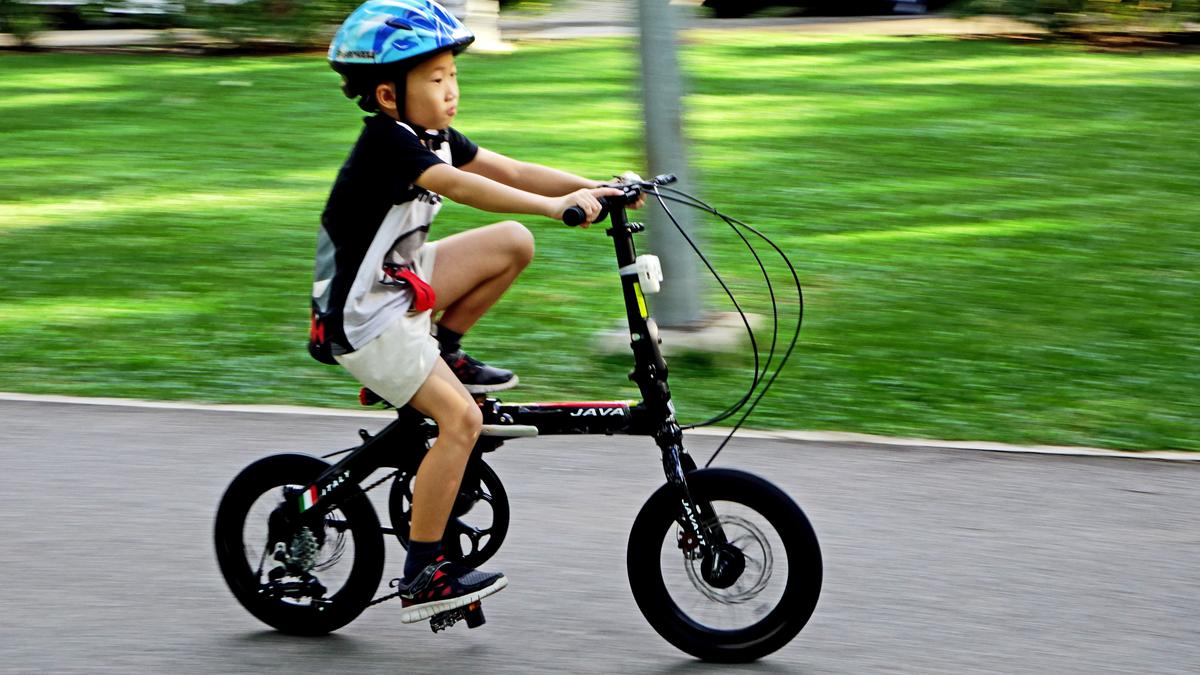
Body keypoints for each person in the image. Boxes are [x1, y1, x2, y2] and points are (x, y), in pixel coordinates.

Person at [311, 0, 641, 624]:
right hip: (365, 317)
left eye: (453, 75)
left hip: (400, 287)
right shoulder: (389, 144)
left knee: (513, 241)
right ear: (388, 95)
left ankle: (448, 348)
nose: (451, 89)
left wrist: (595, 186)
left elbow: (510, 170)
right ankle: (425, 571)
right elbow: (463, 187)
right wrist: (558, 207)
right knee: (461, 420)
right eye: (435, 80)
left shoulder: (430, 134)